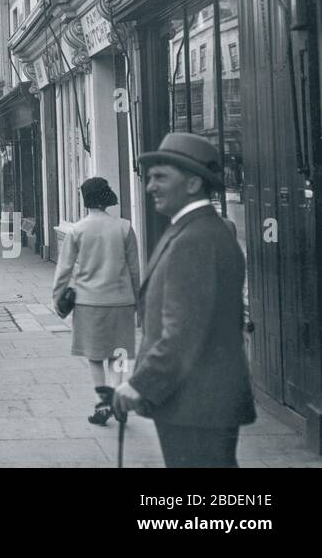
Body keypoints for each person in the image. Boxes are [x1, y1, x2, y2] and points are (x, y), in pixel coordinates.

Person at [113, 133, 256, 468]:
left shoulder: (196, 238)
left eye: (160, 177)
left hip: (197, 404)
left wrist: (140, 384)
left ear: (193, 184)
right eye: (149, 178)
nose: (150, 187)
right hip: (196, 401)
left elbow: (182, 332)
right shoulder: (196, 229)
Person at [51, 177, 141, 426]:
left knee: (95, 356)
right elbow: (135, 270)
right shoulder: (124, 227)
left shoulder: (78, 230)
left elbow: (64, 269)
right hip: (121, 301)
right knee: (119, 353)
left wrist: (57, 298)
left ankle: (104, 402)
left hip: (89, 302)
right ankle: (119, 396)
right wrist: (138, 303)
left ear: (85, 199)